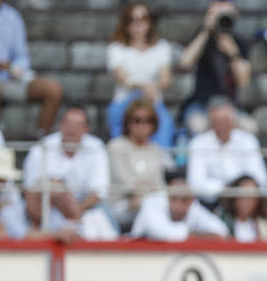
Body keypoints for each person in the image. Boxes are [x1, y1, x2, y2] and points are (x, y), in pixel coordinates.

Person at [21, 107, 118, 240]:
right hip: (49, 206)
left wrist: (74, 211)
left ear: (86, 129)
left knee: (103, 213)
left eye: (78, 126)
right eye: (68, 124)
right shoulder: (41, 148)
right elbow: (30, 191)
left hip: (84, 207)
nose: (72, 130)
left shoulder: (96, 147)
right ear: (60, 126)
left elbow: (99, 193)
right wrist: (58, 196)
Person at [0, 0, 62, 135]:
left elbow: (22, 57)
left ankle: (40, 139)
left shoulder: (12, 17)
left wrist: (11, 68)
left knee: (53, 89)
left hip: (11, 76)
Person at [178, 1, 252, 137]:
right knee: (197, 125)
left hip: (231, 104)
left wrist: (233, 54)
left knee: (249, 127)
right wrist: (206, 30)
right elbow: (185, 63)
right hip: (202, 103)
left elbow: (243, 81)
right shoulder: (202, 39)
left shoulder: (240, 42)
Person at [105, 2, 174, 149]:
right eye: (132, 19)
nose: (138, 24)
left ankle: (163, 160)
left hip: (153, 101)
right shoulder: (116, 48)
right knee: (121, 119)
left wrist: (152, 89)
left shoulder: (162, 47)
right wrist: (143, 87)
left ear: (149, 22)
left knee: (164, 120)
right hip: (124, 101)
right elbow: (121, 77)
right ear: (125, 23)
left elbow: (165, 79)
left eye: (143, 18)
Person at [186, 95, 267, 204]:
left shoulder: (248, 141)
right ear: (211, 122)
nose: (222, 126)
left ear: (233, 120)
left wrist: (240, 190)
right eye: (218, 121)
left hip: (246, 203)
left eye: (226, 120)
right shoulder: (198, 143)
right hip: (212, 204)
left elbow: (262, 181)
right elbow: (195, 183)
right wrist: (226, 189)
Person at [107, 96, 169, 230]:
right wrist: (147, 188)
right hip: (121, 205)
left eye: (148, 121)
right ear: (128, 123)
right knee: (150, 207)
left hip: (148, 203)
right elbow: (125, 183)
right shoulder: (116, 147)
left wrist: (143, 191)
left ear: (154, 125)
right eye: (137, 120)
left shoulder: (156, 150)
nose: (142, 125)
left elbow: (160, 184)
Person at [132, 169, 230, 241]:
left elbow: (221, 231)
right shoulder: (152, 202)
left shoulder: (193, 206)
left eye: (184, 200)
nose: (178, 205)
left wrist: (193, 236)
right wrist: (201, 236)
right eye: (174, 198)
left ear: (191, 200)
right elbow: (166, 234)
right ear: (168, 196)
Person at [217, 173, 267, 241]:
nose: (248, 202)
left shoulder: (264, 224)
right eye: (244, 196)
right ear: (235, 198)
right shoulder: (221, 221)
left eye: (252, 197)